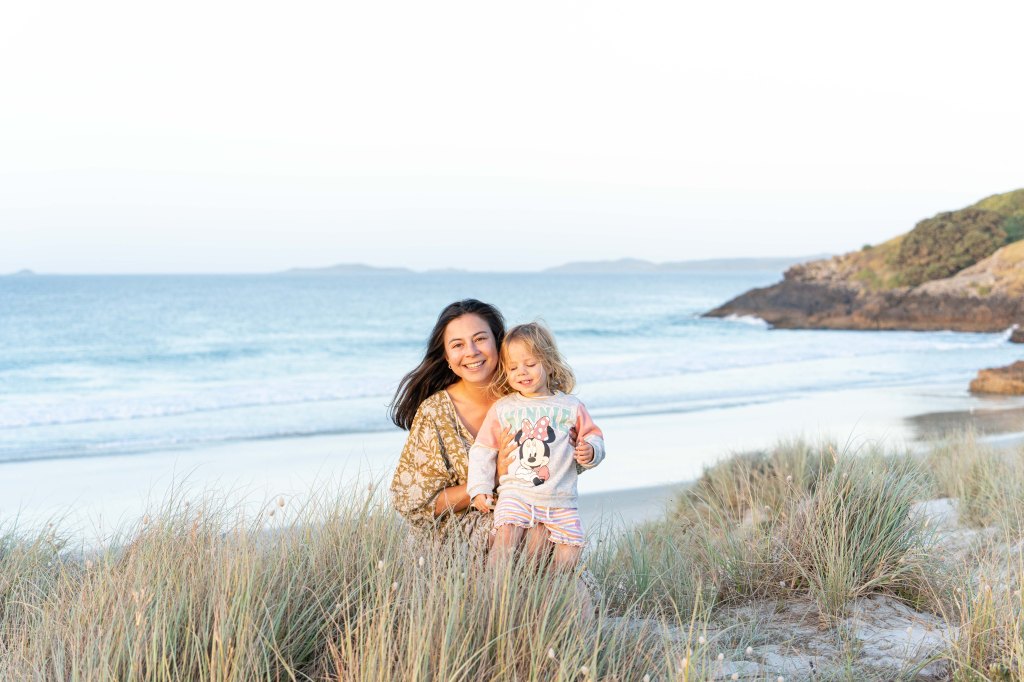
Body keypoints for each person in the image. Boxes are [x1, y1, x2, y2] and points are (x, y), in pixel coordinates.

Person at [389, 299, 527, 550]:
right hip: (455, 535)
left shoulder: (527, 396)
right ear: (447, 357)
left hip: (530, 517)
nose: (471, 351)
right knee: (521, 533)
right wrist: (493, 476)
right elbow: (416, 505)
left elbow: (567, 458)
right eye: (457, 345)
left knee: (556, 538)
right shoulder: (436, 413)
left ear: (498, 342)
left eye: (480, 339)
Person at [467, 322, 605, 570]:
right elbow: (483, 449)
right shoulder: (504, 408)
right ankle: (494, 595)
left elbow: (593, 436)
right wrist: (479, 488)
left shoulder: (571, 407)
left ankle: (548, 600)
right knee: (504, 542)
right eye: (513, 367)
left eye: (530, 364)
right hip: (516, 495)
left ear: (549, 364)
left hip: (561, 499)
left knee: (569, 555)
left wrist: (591, 451)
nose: (522, 372)